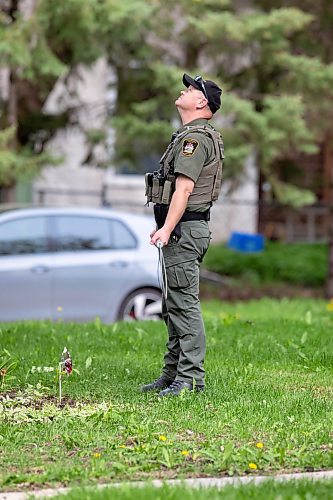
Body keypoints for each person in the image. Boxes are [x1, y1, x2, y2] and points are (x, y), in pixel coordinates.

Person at [142, 73, 224, 397]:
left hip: (184, 232)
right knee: (172, 304)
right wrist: (165, 226)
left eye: (190, 89)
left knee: (184, 305)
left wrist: (167, 227)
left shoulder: (196, 140)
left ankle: (189, 381)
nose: (184, 90)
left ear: (201, 102)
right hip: (183, 231)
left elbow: (185, 188)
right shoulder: (190, 135)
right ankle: (172, 374)